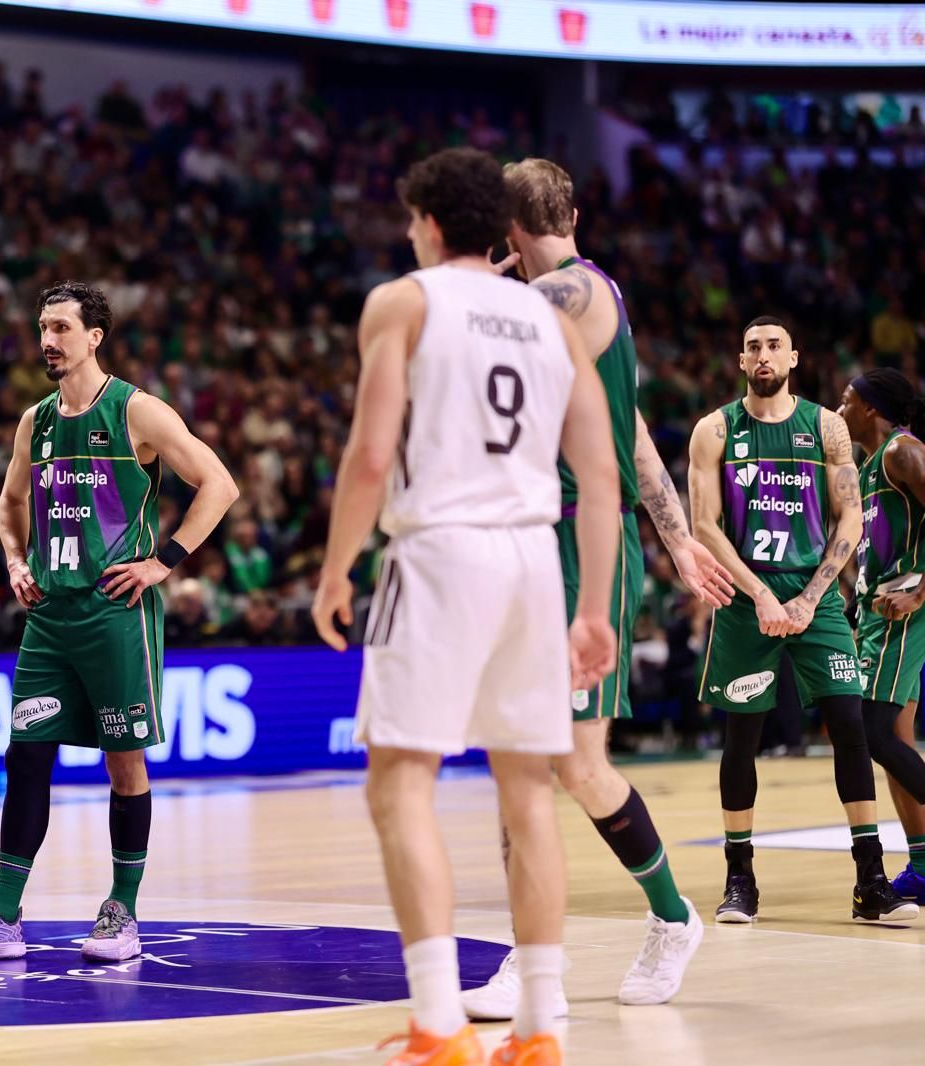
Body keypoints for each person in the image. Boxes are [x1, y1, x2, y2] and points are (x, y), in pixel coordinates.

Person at [312, 146, 619, 1066]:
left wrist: (336, 571)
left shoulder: (404, 301)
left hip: (441, 553)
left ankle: (439, 1024)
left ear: (432, 222)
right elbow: (598, 478)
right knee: (528, 793)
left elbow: (371, 458)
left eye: (411, 221)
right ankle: (541, 1030)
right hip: (535, 557)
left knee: (399, 782)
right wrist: (594, 607)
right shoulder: (550, 321)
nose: (408, 234)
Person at [462, 158, 729, 1020]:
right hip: (527, 542)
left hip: (583, 546)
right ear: (569, 209)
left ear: (508, 228)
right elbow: (636, 431)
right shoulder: (552, 305)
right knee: (524, 762)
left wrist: (471, 281)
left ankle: (671, 917)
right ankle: (532, 957)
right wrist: (681, 536)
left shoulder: (579, 294)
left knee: (572, 761)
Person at [0, 280, 238, 965]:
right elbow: (10, 504)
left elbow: (219, 483)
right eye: (43, 327)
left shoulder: (138, 411)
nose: (48, 340)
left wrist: (164, 562)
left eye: (62, 328)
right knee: (25, 755)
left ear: (94, 336)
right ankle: (3, 917)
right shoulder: (33, 421)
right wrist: (13, 561)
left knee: (123, 763)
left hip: (116, 612)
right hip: (50, 617)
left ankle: (122, 912)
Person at [688, 319, 915, 924]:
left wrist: (812, 598)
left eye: (774, 346)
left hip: (816, 600)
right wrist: (761, 595)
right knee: (742, 740)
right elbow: (704, 525)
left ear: (794, 357)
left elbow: (849, 519)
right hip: (745, 599)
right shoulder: (713, 430)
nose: (764, 355)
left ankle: (871, 880)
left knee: (851, 725)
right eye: (753, 347)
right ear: (741, 360)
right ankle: (741, 880)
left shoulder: (827, 427)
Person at [834, 369, 925, 902]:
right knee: (895, 740)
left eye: (846, 401)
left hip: (905, 610)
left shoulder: (902, 452)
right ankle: (920, 864)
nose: (839, 410)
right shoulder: (869, 467)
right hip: (877, 612)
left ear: (870, 408)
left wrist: (919, 592)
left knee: (875, 734)